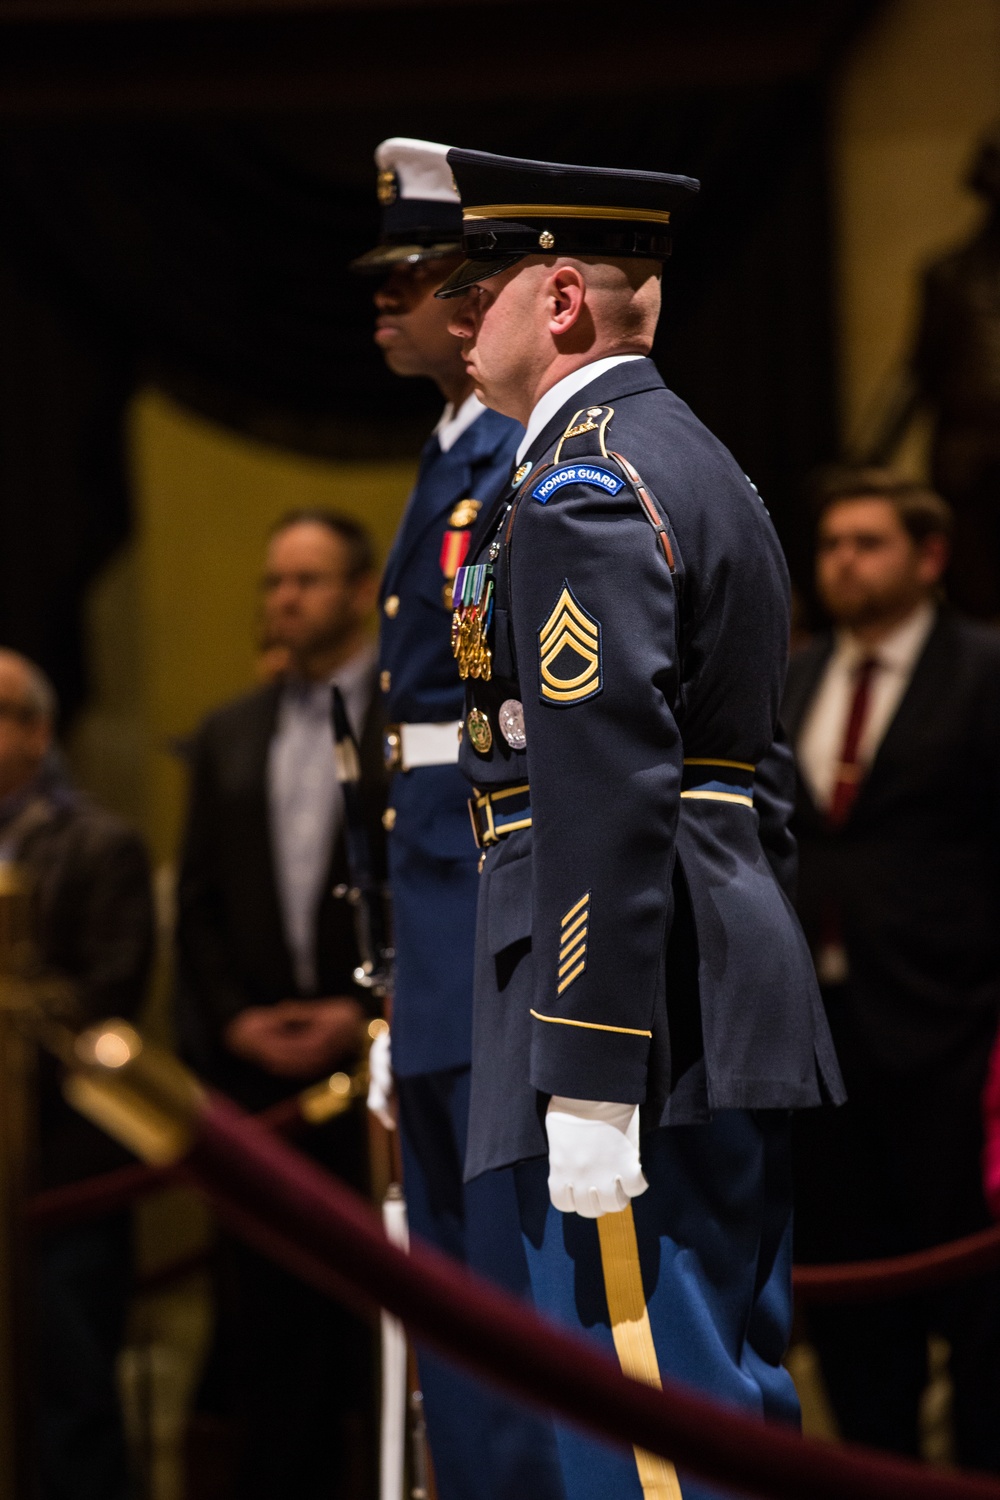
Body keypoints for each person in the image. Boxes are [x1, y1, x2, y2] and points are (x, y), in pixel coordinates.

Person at [435, 149, 843, 1500]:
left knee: (641, 1431)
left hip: (625, 1018)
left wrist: (592, 1063)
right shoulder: (690, 457)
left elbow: (606, 794)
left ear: (560, 300)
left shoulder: (584, 483)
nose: (454, 317)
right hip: (702, 988)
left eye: (477, 287)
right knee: (715, 1392)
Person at [351, 136, 565, 1500]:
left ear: (477, 292)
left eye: (410, 280)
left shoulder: (517, 454)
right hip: (428, 895)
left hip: (488, 889)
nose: (383, 308)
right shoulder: (449, 452)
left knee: (502, 1260)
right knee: (451, 1270)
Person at [783, 468, 1000, 1468]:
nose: (844, 563)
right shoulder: (791, 677)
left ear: (929, 556)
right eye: (830, 545)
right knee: (853, 1317)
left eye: (867, 543)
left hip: (951, 1034)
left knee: (976, 1307)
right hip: (820, 1046)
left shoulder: (981, 669)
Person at [174, 510, 386, 1500]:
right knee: (268, 1347)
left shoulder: (414, 711)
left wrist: (369, 1016)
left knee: (379, 1342)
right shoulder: (228, 733)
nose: (282, 601)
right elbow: (202, 909)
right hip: (262, 1085)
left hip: (383, 1080)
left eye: (304, 582)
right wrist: (232, 1022)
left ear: (357, 590)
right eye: (272, 583)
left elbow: (447, 891)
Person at [0, 648, 154, 1500]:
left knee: (70, 1406)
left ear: (36, 730)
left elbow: (105, 998)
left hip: (60, 1172)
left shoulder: (99, 844)